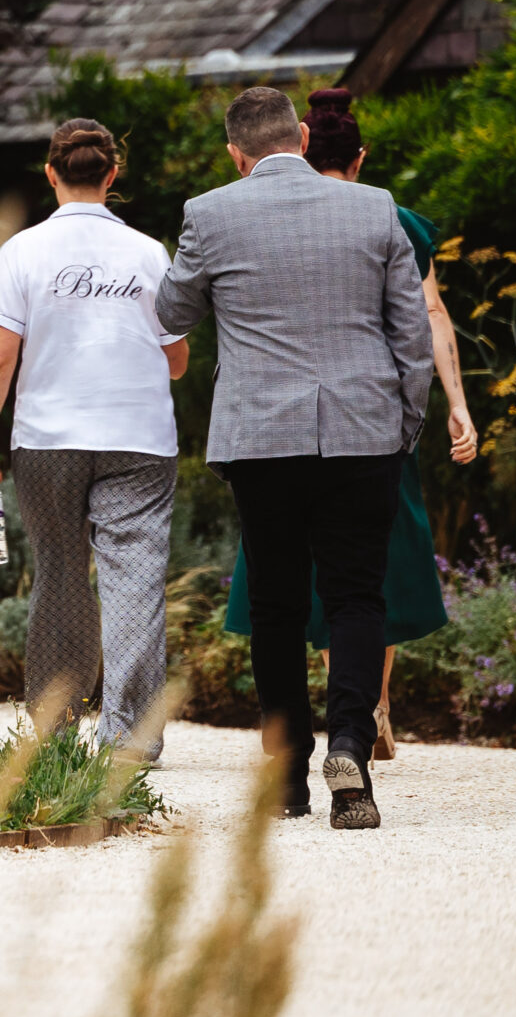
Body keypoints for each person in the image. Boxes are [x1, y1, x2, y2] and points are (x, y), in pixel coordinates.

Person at [156, 86, 432, 829]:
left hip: (261, 437)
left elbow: (170, 313)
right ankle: (351, 748)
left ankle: (286, 775)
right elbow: (412, 334)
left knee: (277, 604)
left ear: (235, 155)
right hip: (362, 429)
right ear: (303, 136)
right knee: (355, 594)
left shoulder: (209, 213)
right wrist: (405, 422)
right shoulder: (374, 207)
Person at [220, 86, 477, 760]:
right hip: (372, 421)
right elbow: (428, 319)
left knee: (285, 575)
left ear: (303, 141)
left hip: (274, 427)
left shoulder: (246, 215)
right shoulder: (388, 216)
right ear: (359, 155)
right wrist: (448, 405)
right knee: (370, 571)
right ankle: (365, 710)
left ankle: (297, 736)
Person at [0, 118, 189, 759]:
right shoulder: (149, 253)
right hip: (140, 440)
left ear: (51, 174)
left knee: (61, 574)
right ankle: (128, 741)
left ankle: (54, 734)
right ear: (112, 175)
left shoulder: (23, 252)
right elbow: (177, 361)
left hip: (48, 441)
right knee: (135, 582)